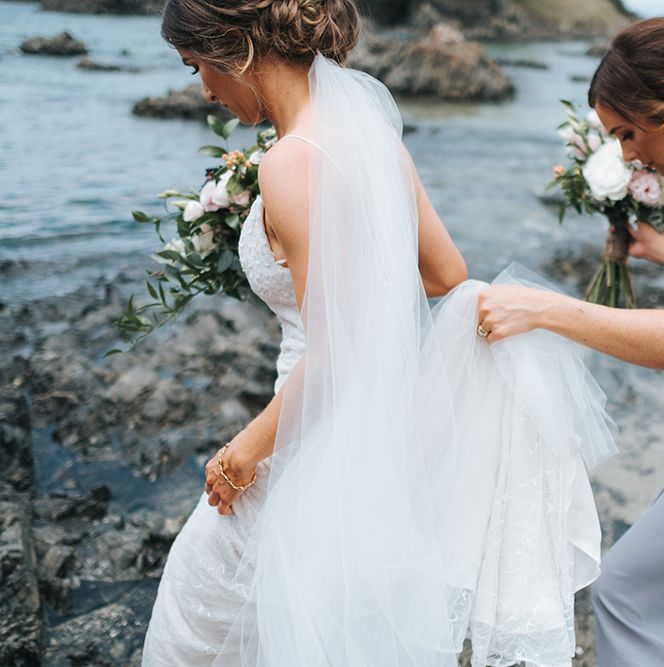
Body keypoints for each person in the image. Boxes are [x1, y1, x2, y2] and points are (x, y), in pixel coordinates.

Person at [142, 1, 616, 665]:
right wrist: (350, 281)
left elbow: (335, 356)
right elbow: (445, 271)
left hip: (305, 437)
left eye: (197, 68)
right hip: (378, 430)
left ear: (235, 49)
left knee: (191, 630)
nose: (203, 90)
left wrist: (241, 453)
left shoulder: (288, 164)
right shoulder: (369, 136)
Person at [477, 17, 664, 666]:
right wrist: (660, 251)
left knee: (627, 595)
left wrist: (546, 309)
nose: (623, 155)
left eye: (626, 133)